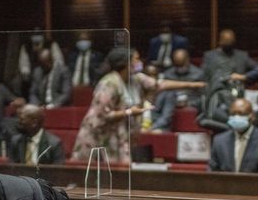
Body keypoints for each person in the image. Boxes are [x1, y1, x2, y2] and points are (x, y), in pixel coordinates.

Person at [72, 48, 204, 164]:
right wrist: (129, 112)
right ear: (125, 63)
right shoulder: (109, 83)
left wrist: (193, 85)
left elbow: (159, 84)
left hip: (120, 137)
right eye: (136, 59)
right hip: (99, 137)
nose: (139, 62)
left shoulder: (135, 78)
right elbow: (103, 114)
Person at [209, 98, 258, 173]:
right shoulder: (219, 141)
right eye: (233, 114)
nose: (236, 117)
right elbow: (212, 174)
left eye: (241, 114)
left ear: (252, 116)